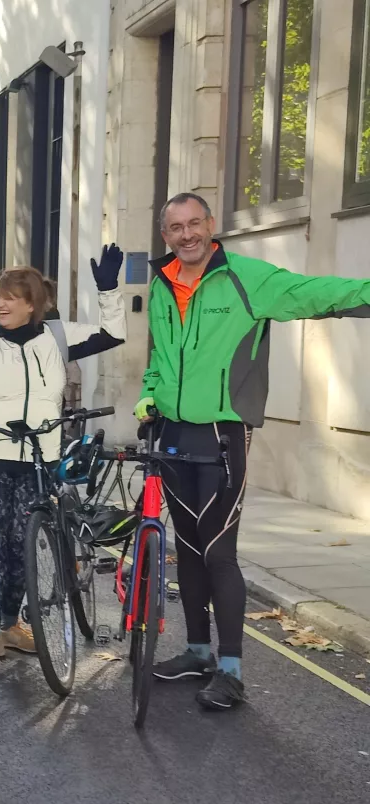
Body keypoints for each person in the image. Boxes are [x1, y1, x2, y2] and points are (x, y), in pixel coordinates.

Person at [137, 192, 370, 710]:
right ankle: (197, 651)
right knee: (189, 548)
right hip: (171, 433)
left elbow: (318, 293)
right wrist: (148, 393)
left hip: (223, 432)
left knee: (219, 551)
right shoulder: (161, 283)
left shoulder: (246, 277)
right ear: (165, 234)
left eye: (195, 223)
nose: (187, 234)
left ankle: (232, 669)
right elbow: (159, 356)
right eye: (176, 227)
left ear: (211, 225)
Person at [0, 253, 126, 662]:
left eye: (10, 298)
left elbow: (113, 334)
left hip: (40, 457)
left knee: (21, 542)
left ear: (32, 304)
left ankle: (11, 624)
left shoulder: (59, 336)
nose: (0, 304)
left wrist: (109, 291)